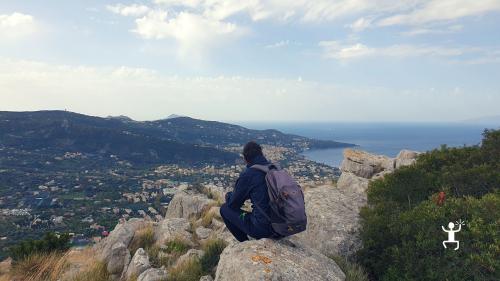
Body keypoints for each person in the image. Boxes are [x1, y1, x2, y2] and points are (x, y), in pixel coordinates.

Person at [219, 141, 275, 242]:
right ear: (261, 154)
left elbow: (233, 204)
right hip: (282, 226)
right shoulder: (274, 169)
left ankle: (244, 242)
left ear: (245, 159)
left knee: (224, 209)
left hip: (262, 229)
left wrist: (228, 196)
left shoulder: (249, 174)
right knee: (253, 212)